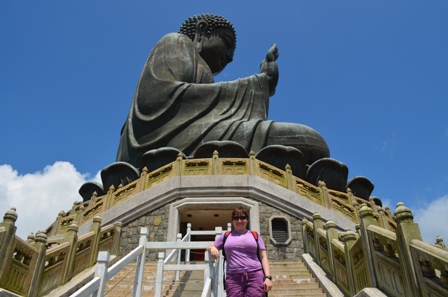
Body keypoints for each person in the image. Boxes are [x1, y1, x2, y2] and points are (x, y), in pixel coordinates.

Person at [117, 14, 330, 168]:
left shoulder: (204, 71)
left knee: (313, 143)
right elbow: (154, 101)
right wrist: (258, 83)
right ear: (201, 31)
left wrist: (261, 83)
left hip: (205, 136)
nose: (230, 57)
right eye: (226, 44)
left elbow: (212, 117)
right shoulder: (176, 42)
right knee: (310, 142)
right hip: (162, 143)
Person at [207, 207, 273, 296]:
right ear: (232, 220)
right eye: (236, 218)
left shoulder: (255, 235)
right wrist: (213, 248)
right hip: (233, 278)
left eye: (242, 218)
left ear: (247, 220)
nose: (239, 221)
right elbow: (211, 246)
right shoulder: (226, 236)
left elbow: (263, 257)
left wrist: (268, 278)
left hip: (255, 275)